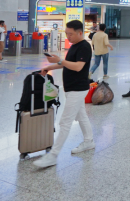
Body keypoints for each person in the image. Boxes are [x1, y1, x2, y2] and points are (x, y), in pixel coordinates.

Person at [33, 20, 95, 168]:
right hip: (71, 88)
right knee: (81, 116)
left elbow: (78, 67)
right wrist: (50, 66)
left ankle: (53, 155)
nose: (68, 37)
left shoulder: (85, 46)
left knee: (65, 122)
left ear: (80, 33)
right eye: (66, 34)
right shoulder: (74, 45)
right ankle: (89, 141)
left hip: (78, 89)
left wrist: (60, 60)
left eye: (71, 34)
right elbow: (66, 63)